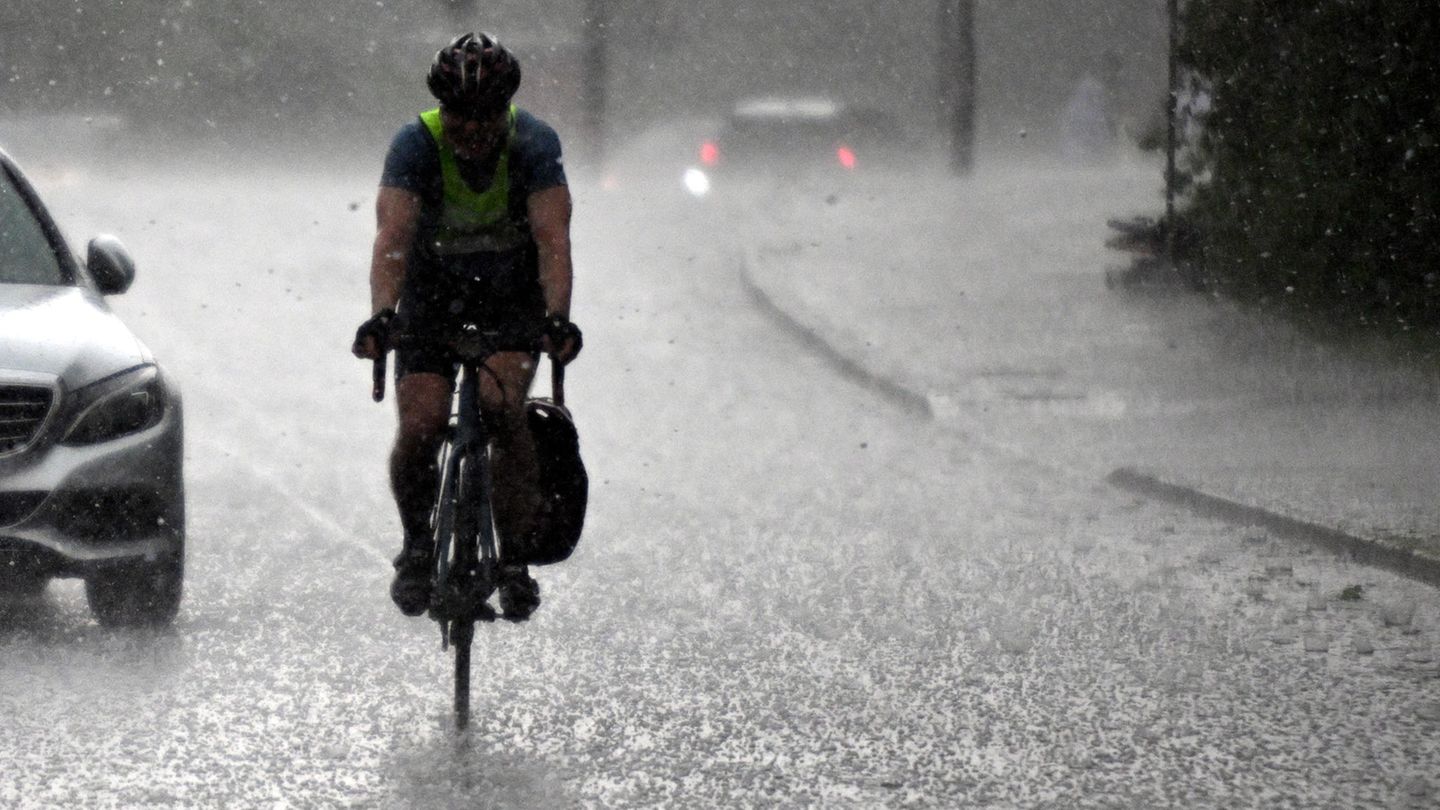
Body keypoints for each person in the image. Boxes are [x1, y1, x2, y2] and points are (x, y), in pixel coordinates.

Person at [351, 32, 581, 620]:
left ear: (505, 111)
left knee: (501, 408)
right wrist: (382, 314)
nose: (471, 131)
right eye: (458, 116)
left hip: (511, 299)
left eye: (485, 118)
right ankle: (417, 546)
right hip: (431, 298)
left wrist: (557, 319)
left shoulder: (533, 144)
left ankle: (513, 558)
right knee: (422, 424)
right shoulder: (415, 145)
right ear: (441, 109)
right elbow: (391, 240)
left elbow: (553, 241)